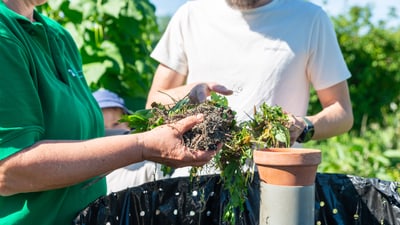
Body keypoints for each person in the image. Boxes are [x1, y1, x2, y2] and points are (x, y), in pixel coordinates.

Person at [0, 1, 219, 224]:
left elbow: (81, 137)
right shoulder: (4, 32)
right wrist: (142, 146)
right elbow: (9, 171)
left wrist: (176, 119)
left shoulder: (58, 35)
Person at [146, 0, 354, 176]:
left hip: (276, 179)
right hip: (195, 179)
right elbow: (153, 103)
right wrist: (190, 93)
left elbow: (342, 113)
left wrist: (303, 127)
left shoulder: (309, 19)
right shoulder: (191, 15)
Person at [92, 89, 162, 193]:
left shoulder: (148, 166)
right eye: (103, 128)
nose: (111, 133)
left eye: (116, 124)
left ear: (129, 125)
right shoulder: (90, 174)